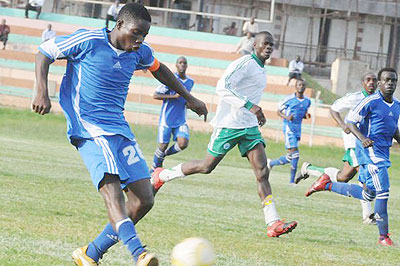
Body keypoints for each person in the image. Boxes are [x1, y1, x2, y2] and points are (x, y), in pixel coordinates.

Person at [32, 3, 207, 266]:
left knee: (144, 199)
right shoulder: (89, 40)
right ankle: (139, 254)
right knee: (112, 191)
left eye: (144, 36)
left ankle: (90, 253)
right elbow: (44, 53)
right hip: (89, 127)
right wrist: (41, 91)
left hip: (119, 129)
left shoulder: (138, 52)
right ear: (119, 25)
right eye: (136, 33)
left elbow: (159, 69)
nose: (139, 41)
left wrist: (189, 98)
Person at [151, 31, 298, 238]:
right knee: (206, 166)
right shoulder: (245, 62)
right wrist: (250, 106)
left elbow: (249, 94)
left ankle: (273, 222)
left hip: (249, 127)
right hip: (229, 125)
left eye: (271, 45)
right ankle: (162, 175)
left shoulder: (261, 69)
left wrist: (256, 113)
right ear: (254, 45)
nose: (269, 47)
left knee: (262, 172)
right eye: (265, 44)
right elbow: (222, 86)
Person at [305, 68, 400, 247]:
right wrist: (363, 138)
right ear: (380, 83)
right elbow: (351, 122)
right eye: (386, 80)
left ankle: (327, 184)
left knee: (367, 194)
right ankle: (383, 237)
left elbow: (394, 128)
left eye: (393, 80)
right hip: (370, 155)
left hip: (383, 154)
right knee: (383, 191)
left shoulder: (396, 106)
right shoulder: (369, 101)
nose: (390, 83)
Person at [295, 72, 378, 224]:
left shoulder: (378, 100)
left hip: (368, 146)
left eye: (374, 80)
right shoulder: (354, 98)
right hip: (354, 143)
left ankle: (309, 169)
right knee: (365, 178)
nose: (371, 82)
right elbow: (334, 109)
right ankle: (368, 215)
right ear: (363, 83)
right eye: (368, 79)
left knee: (343, 177)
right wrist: (342, 125)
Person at [151, 56, 194, 171]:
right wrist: (173, 97)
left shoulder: (190, 82)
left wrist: (190, 104)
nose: (182, 65)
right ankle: (155, 168)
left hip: (181, 119)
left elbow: (186, 98)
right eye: (180, 63)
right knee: (163, 145)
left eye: (184, 63)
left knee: (183, 143)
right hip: (167, 118)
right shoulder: (170, 79)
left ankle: (164, 155)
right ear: (176, 65)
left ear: (187, 66)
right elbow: (156, 95)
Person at [267, 79, 311, 184]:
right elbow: (278, 111)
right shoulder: (289, 99)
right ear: (296, 87)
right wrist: (287, 117)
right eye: (299, 85)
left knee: (290, 157)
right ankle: (292, 182)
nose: (301, 87)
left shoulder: (307, 101)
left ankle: (271, 163)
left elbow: (303, 113)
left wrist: (306, 116)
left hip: (298, 130)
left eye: (303, 85)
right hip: (289, 128)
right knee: (295, 154)